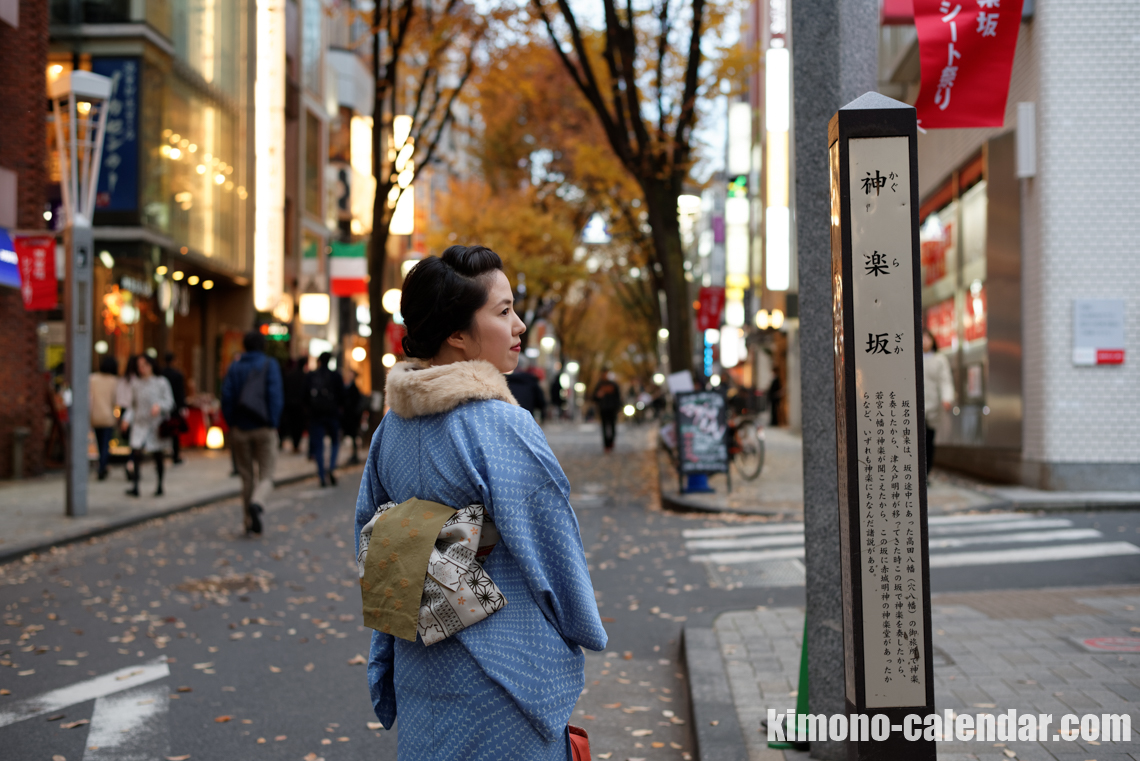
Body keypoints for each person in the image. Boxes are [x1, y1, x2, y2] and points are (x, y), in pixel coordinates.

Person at [354, 245, 607, 760]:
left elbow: (369, 534)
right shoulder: (499, 425)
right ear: (457, 334)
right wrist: (581, 629)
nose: (518, 326)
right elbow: (551, 546)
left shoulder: (392, 430)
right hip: (503, 673)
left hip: (420, 668)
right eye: (503, 311)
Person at [221, 331, 284, 534]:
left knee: (246, 476)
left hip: (240, 428)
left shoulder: (235, 366)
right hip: (264, 428)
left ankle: (248, 521)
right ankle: (257, 503)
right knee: (267, 474)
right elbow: (275, 396)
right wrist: (272, 422)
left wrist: (233, 423)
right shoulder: (269, 364)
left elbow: (226, 397)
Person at [120, 354, 174, 497]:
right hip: (140, 423)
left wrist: (159, 406)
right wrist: (126, 419)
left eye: (144, 365)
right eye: (140, 366)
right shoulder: (136, 384)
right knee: (137, 453)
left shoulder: (161, 382)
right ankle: (136, 486)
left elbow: (169, 402)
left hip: (155, 424)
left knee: (157, 455)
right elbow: (132, 405)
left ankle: (160, 485)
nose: (142, 368)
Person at [305, 352, 345, 486]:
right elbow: (342, 396)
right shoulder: (335, 376)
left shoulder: (311, 376)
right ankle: (332, 467)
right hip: (332, 414)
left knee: (319, 445)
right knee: (335, 442)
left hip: (316, 415)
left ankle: (321, 474)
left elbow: (304, 395)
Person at [922, 328, 954, 475]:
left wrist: (946, 398)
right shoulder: (912, 357)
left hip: (933, 405)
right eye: (922, 337)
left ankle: (926, 472)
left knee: (929, 440)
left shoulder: (939, 360)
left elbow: (945, 380)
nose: (924, 341)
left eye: (927, 337)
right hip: (916, 405)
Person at [89, 356, 120, 481]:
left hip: (94, 416)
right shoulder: (114, 381)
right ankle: (102, 467)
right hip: (108, 417)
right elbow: (115, 400)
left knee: (98, 443)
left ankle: (102, 466)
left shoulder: (92, 378)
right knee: (105, 445)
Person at [161, 352, 188, 464]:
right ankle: (175, 455)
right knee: (175, 432)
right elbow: (180, 392)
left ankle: (161, 455)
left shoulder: (161, 374)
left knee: (162, 430)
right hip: (175, 406)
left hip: (162, 406)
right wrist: (182, 406)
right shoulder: (177, 374)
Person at [280, 358, 308, 453]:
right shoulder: (304, 376)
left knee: (291, 424)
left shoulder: (290, 375)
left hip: (290, 404)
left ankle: (294, 444)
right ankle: (296, 444)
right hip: (299, 405)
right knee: (298, 425)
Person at [592, 371, 621, 452]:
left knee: (612, 426)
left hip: (612, 409)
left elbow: (618, 397)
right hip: (603, 409)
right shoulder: (599, 385)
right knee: (604, 427)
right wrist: (598, 396)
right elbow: (594, 397)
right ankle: (606, 445)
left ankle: (611, 442)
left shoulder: (614, 385)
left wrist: (618, 408)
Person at [341, 368, 365, 464]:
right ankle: (354, 455)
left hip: (352, 416)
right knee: (353, 436)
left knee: (354, 435)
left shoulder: (353, 388)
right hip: (352, 416)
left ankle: (354, 455)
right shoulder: (351, 387)